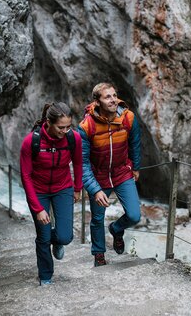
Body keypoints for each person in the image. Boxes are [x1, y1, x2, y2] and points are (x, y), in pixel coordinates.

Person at [78, 83, 141, 266]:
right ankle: (99, 254)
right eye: (107, 97)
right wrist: (95, 190)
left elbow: (135, 144)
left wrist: (135, 167)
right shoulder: (86, 126)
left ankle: (116, 228)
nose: (113, 99)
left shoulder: (128, 118)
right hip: (99, 177)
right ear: (97, 101)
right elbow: (83, 163)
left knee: (135, 215)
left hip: (122, 172)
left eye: (114, 95)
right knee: (97, 218)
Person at [20, 102, 83, 285]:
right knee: (43, 236)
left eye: (68, 126)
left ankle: (57, 242)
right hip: (38, 191)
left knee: (65, 236)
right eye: (60, 127)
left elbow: (78, 163)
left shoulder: (74, 139)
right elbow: (26, 176)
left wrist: (77, 188)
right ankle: (46, 276)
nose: (65, 131)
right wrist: (38, 208)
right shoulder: (31, 141)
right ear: (48, 122)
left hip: (63, 188)